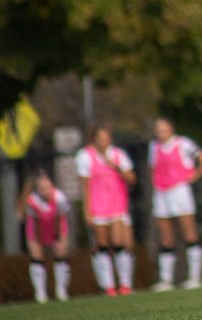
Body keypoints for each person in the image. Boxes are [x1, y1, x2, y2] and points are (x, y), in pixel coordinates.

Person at [148, 117, 202, 291]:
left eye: (164, 129)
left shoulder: (184, 143)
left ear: (172, 129)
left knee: (189, 234)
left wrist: (192, 177)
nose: (161, 133)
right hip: (161, 193)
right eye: (158, 130)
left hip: (179, 191)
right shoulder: (153, 147)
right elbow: (152, 169)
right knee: (166, 237)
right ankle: (166, 280)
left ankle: (194, 277)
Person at [75, 125, 137, 296]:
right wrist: (87, 210)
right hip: (97, 206)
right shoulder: (85, 156)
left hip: (117, 204)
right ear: (94, 138)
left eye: (105, 137)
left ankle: (125, 284)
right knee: (102, 244)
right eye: (99, 137)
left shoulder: (118, 155)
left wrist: (115, 167)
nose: (103, 141)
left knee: (119, 243)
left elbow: (132, 179)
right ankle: (107, 285)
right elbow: (85, 186)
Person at [19, 171, 71, 303]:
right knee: (37, 256)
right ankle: (40, 293)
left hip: (54, 226)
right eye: (42, 189)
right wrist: (37, 240)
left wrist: (59, 237)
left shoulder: (60, 198)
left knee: (61, 252)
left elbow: (61, 219)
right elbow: (33, 224)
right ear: (37, 191)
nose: (46, 191)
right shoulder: (32, 202)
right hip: (37, 229)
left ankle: (61, 291)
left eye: (48, 188)